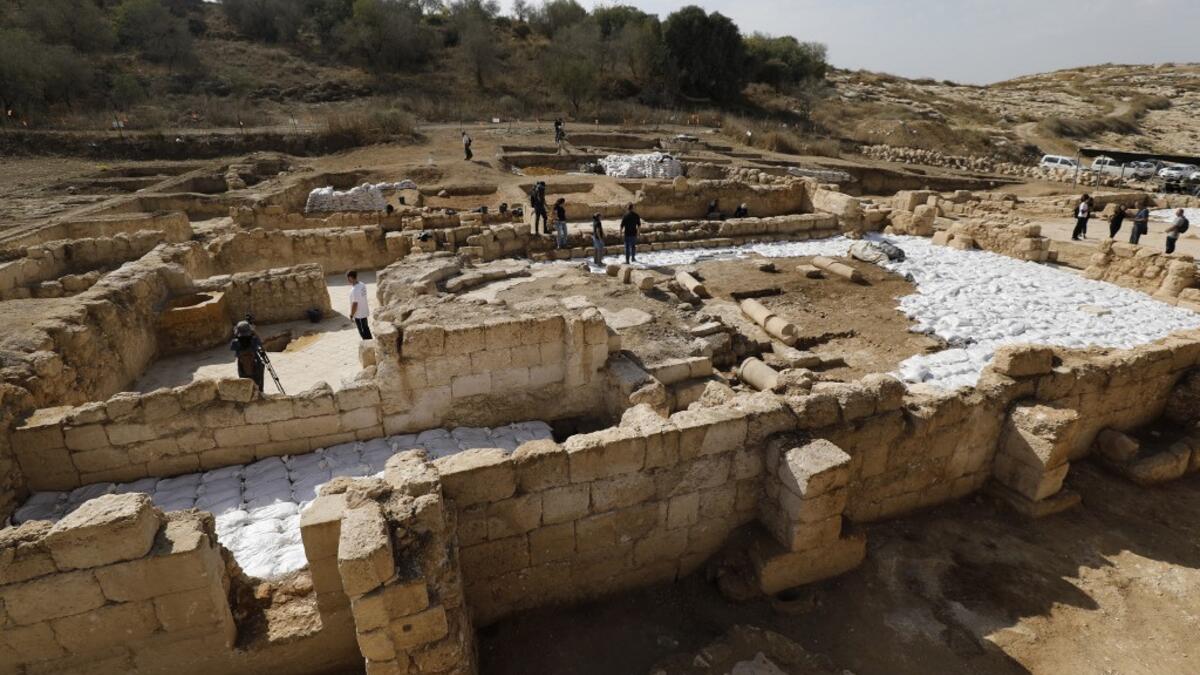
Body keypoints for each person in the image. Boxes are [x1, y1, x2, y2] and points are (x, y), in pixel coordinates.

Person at [230, 321, 265, 391]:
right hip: (255, 365)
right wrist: (254, 333)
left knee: (245, 382)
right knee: (259, 378)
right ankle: (260, 391)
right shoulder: (254, 340)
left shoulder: (235, 342)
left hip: (242, 367)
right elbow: (261, 344)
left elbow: (232, 347)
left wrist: (236, 335)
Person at [347, 270, 372, 340]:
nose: (348, 280)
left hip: (359, 315)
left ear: (351, 278)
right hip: (364, 312)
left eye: (348, 278)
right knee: (366, 329)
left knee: (363, 332)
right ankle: (371, 342)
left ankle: (367, 344)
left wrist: (351, 315)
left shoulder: (354, 290)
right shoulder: (362, 284)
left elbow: (355, 304)